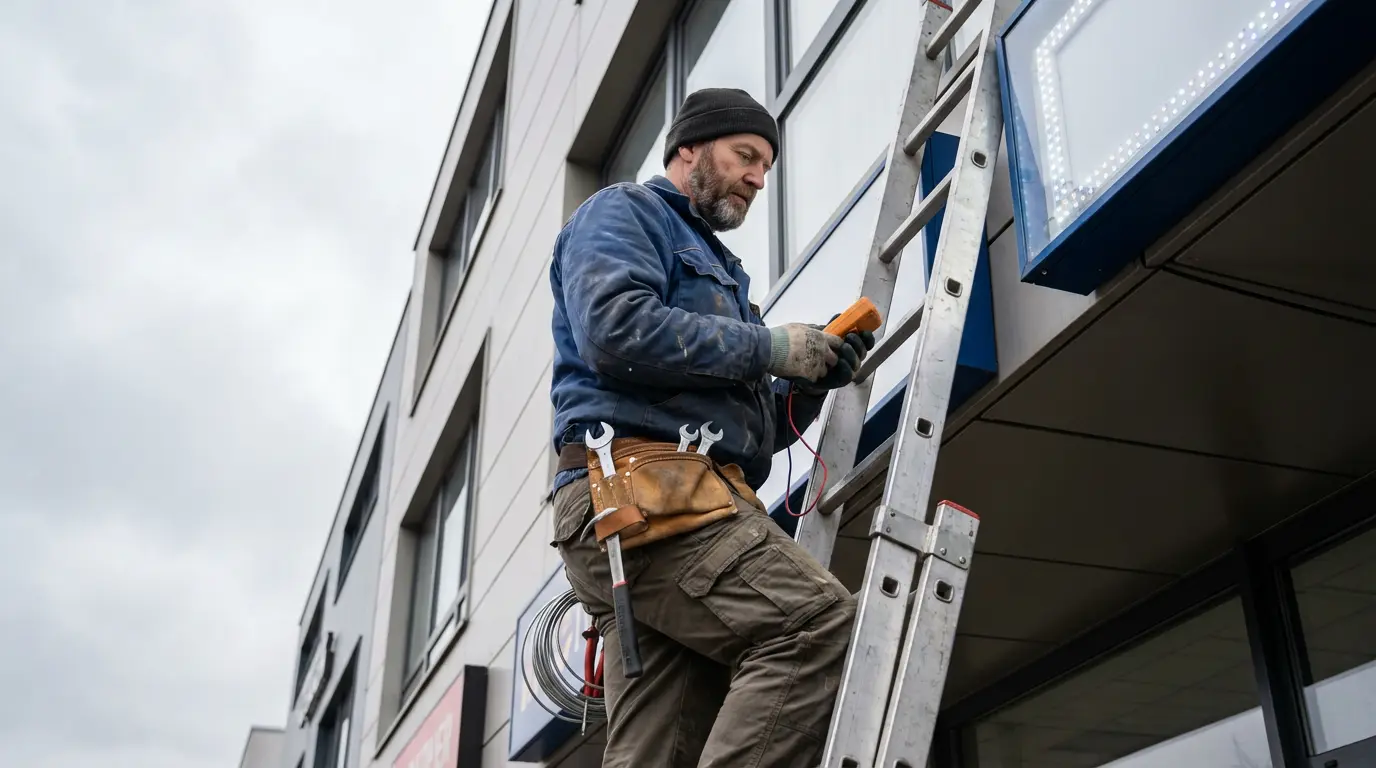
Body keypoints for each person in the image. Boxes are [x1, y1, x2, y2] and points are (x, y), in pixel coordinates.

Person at [546, 87, 874, 767]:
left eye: (765, 167)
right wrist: (772, 347)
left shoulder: (725, 272)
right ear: (688, 150)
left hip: (669, 499)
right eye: (745, 156)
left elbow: (749, 433)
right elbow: (616, 331)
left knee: (657, 749)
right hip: (642, 493)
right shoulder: (625, 212)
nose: (757, 178)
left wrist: (806, 386)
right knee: (813, 627)